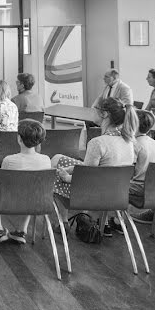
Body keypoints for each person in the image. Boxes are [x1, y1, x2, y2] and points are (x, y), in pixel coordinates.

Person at [53, 98, 137, 237]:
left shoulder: (97, 143)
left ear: (104, 114)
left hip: (93, 195)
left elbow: (85, 178)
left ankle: (62, 222)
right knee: (58, 159)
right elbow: (93, 168)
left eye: (95, 109)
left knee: (56, 169)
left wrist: (66, 177)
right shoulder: (128, 141)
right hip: (117, 194)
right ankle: (64, 222)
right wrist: (71, 169)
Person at [0, 120, 52, 244]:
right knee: (30, 188)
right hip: (36, 203)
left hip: (7, 203)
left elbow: (3, 186)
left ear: (19, 139)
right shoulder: (46, 160)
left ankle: (0, 229)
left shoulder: (9, 160)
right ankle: (21, 230)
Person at [127, 110, 155, 222]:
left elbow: (129, 171)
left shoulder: (134, 145)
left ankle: (114, 220)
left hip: (140, 188)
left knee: (112, 183)